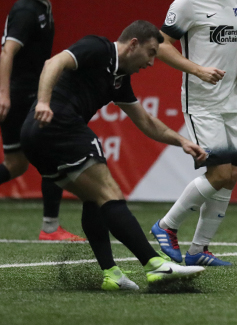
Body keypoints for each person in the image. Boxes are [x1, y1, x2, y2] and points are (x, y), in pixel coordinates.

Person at [20, 20, 206, 290]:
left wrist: (182, 141)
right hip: (58, 124)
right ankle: (155, 264)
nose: (151, 62)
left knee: (95, 198)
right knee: (109, 193)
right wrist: (44, 102)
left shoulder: (120, 80)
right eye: (151, 53)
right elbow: (53, 63)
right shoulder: (98, 48)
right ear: (133, 44)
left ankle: (111, 275)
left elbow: (146, 122)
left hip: (35, 136)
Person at [150, 0, 237, 267]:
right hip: (202, 103)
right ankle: (166, 225)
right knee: (219, 173)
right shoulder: (188, 2)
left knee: (231, 174)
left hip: (232, 101)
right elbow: (161, 45)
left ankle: (198, 250)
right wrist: (197, 69)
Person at [0, 0, 84, 241]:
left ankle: (50, 227)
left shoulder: (41, 7)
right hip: (22, 98)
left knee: (16, 165)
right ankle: (50, 228)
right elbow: (7, 52)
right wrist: (4, 95)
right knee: (54, 154)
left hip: (27, 96)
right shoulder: (26, 10)